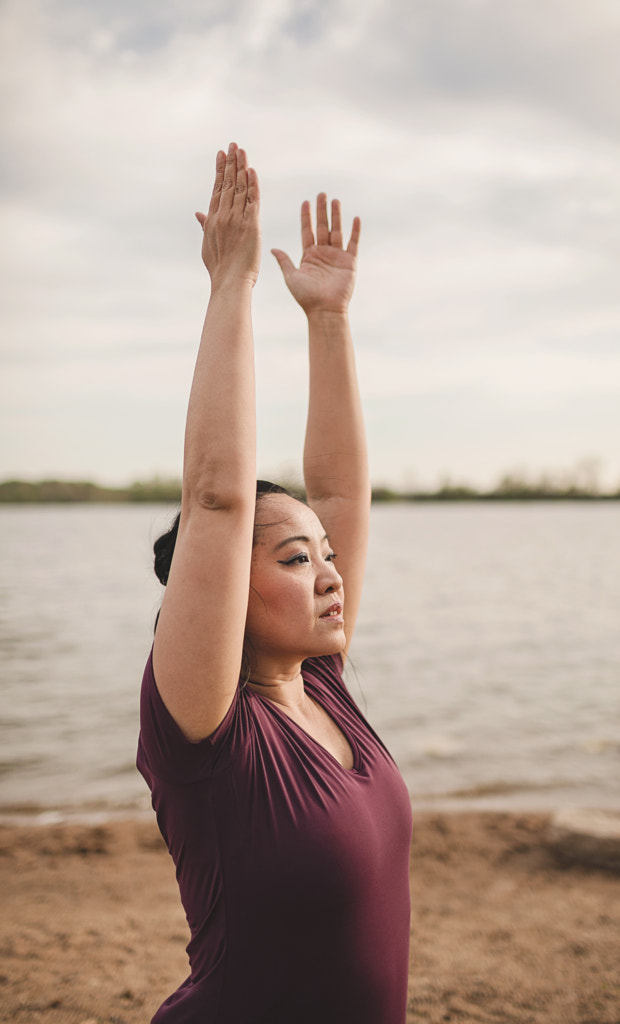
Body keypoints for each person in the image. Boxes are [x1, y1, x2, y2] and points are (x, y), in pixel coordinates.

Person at [137, 143, 412, 1024]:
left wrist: (327, 323)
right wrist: (232, 286)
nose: (331, 575)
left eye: (324, 556)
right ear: (219, 596)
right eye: (295, 561)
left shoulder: (320, 683)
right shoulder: (208, 734)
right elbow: (216, 499)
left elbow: (338, 496)